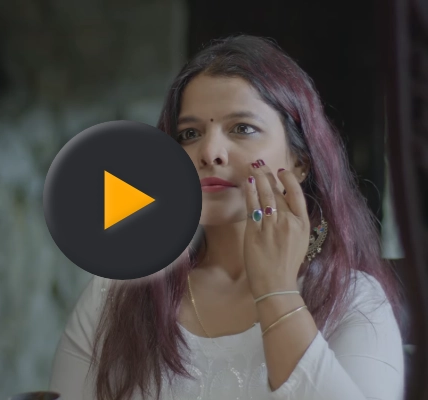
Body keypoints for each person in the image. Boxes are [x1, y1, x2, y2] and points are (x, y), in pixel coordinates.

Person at [48, 35, 406, 400]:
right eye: (190, 134)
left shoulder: (354, 301)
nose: (210, 152)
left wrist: (276, 291)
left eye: (242, 128)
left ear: (300, 161)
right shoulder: (115, 294)